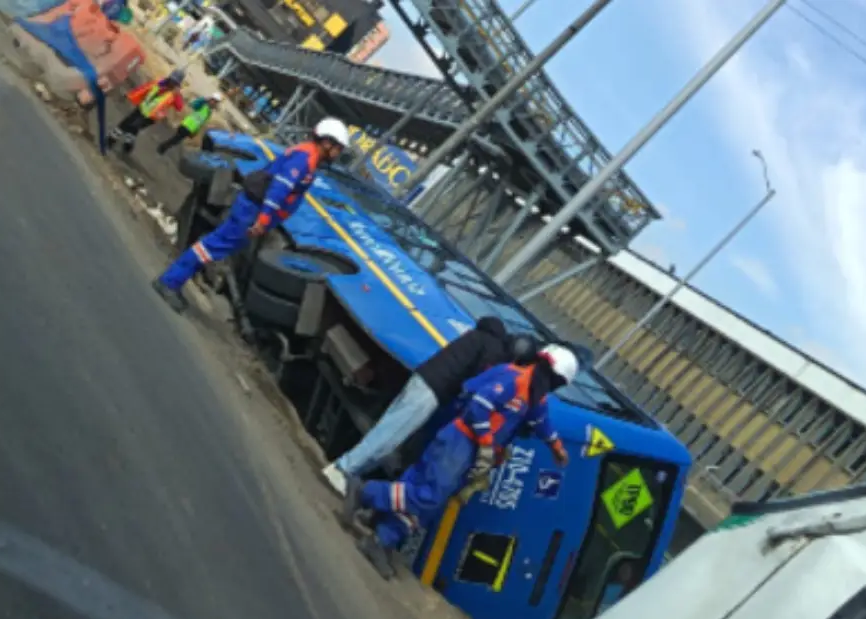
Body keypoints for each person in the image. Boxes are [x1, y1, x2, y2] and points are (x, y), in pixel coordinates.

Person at [341, 344, 579, 578]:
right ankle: (365, 492)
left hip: (469, 450)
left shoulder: (535, 397)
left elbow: (541, 422)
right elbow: (478, 408)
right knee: (429, 496)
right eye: (556, 382)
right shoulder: (513, 379)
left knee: (425, 504)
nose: (552, 388)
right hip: (459, 442)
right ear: (549, 373)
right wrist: (486, 443)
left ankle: (381, 541)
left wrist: (556, 447)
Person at [151, 117, 351, 312]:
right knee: (212, 246)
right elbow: (279, 189)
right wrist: (264, 218)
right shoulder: (304, 159)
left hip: (253, 208)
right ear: (327, 142)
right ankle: (169, 282)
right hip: (252, 210)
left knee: (214, 247)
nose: (338, 153)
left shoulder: (308, 157)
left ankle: (175, 280)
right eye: (338, 148)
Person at [322, 317, 532, 494]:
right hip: (431, 390)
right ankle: (342, 468)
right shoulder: (493, 351)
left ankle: (348, 471)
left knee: (389, 433)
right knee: (388, 436)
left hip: (425, 381)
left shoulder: (482, 337)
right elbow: (478, 386)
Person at [108, 69, 187, 154]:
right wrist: (129, 95)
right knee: (127, 122)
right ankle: (116, 141)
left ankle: (120, 142)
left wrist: (177, 94)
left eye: (175, 82)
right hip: (142, 108)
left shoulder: (175, 94)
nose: (172, 82)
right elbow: (144, 89)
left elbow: (179, 107)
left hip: (151, 117)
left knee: (133, 126)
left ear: (177, 83)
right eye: (172, 79)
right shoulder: (160, 83)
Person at [156, 92, 223, 155]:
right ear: (210, 99)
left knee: (176, 140)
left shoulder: (209, 113)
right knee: (175, 139)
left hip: (191, 129)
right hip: (186, 125)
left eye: (216, 102)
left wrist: (195, 132)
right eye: (213, 100)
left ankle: (163, 148)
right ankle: (162, 148)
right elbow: (193, 104)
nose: (213, 103)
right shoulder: (202, 105)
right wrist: (203, 100)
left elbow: (200, 123)